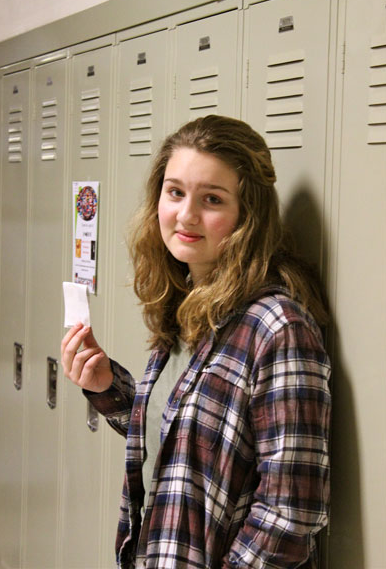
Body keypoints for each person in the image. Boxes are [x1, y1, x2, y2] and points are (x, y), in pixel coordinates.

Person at [61, 115, 331, 569]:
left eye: (212, 199)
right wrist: (107, 385)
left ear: (248, 214)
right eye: (175, 192)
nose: (186, 215)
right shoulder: (188, 306)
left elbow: (290, 515)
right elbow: (178, 442)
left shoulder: (277, 328)